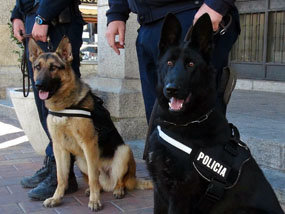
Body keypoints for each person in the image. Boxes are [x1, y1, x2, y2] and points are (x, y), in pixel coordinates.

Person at [105, 0, 241, 122]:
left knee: (200, 125)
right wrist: (116, 12)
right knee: (157, 120)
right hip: (148, 24)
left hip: (193, 14)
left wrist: (217, 4)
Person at [11, 0, 84, 200]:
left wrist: (43, 16)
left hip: (56, 21)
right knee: (45, 105)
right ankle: (54, 161)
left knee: (63, 108)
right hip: (35, 23)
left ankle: (64, 175)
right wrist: (17, 15)